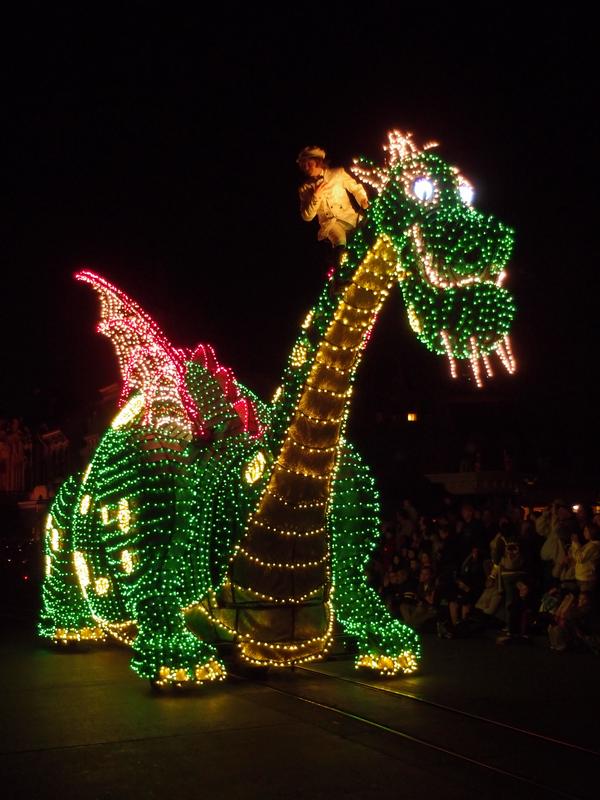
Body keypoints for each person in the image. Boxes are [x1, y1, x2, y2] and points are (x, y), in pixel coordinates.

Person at [296, 146, 369, 251]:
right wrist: (316, 197)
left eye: (309, 163)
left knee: (366, 236)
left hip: (350, 218)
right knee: (340, 243)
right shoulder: (304, 189)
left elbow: (355, 188)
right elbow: (307, 216)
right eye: (303, 165)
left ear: (318, 161)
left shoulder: (337, 173)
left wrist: (363, 199)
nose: (306, 167)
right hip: (330, 226)